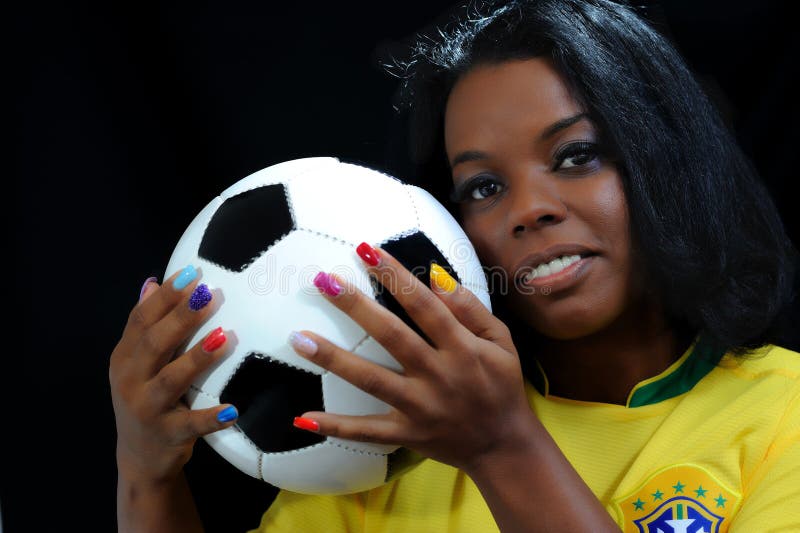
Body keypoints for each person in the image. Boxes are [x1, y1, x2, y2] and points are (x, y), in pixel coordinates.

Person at [109, 0, 799, 531]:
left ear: (665, 159)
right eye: (483, 187)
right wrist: (146, 472)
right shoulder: (395, 420)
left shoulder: (782, 415)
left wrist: (500, 447)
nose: (529, 210)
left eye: (576, 155)